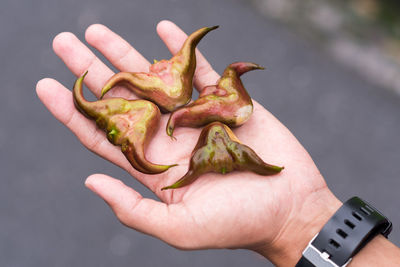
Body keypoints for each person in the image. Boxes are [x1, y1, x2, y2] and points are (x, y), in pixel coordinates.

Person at [36, 20, 400, 266]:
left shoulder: (186, 113)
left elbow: (182, 105)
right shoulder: (178, 109)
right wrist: (304, 222)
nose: (162, 68)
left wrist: (299, 221)